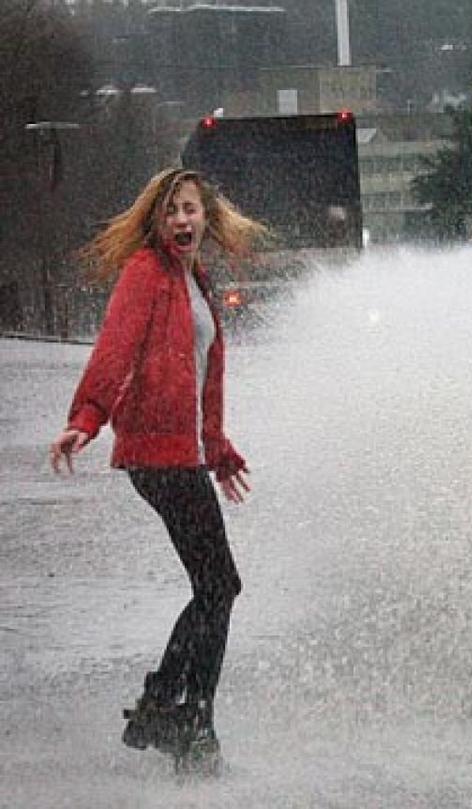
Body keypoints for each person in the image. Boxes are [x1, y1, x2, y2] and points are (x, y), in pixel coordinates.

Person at [49, 168, 265, 776]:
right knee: (219, 585)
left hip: (184, 452)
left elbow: (199, 376)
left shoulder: (193, 280)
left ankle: (179, 713)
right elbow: (114, 351)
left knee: (215, 586)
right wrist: (86, 419)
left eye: (191, 209)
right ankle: (175, 711)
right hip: (156, 455)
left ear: (206, 218)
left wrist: (217, 449)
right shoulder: (145, 273)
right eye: (171, 210)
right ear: (156, 220)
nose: (182, 220)